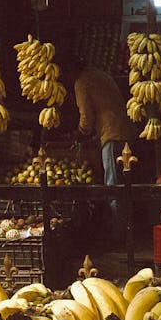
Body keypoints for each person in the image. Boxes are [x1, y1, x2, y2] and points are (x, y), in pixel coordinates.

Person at [62, 55, 134, 240]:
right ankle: (124, 229)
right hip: (124, 130)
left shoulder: (81, 82)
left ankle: (119, 235)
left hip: (112, 134)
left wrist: (78, 133)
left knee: (113, 185)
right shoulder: (100, 75)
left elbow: (86, 117)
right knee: (123, 183)